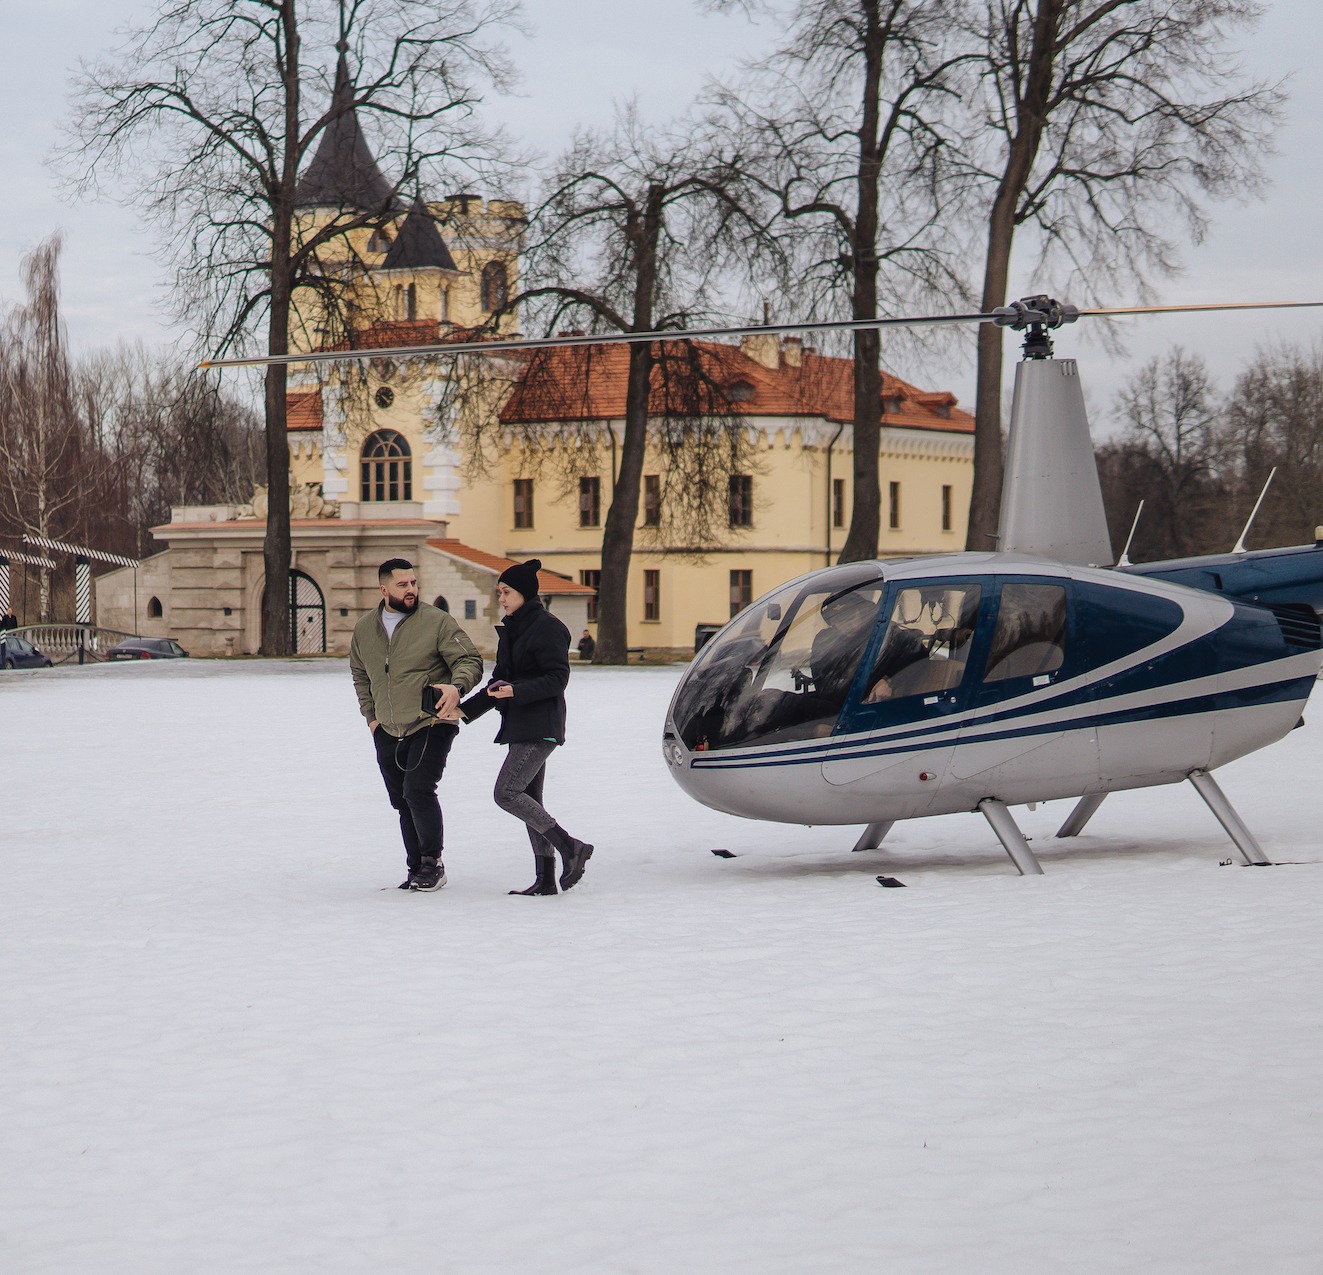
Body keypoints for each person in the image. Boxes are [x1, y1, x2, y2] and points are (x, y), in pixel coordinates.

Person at [460, 558, 594, 897]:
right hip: (521, 725)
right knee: (530, 800)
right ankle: (546, 878)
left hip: (541, 725)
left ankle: (571, 847)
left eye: (506, 592)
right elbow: (498, 683)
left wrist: (517, 691)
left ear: (524, 593)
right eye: (499, 592)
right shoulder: (512, 628)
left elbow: (557, 679)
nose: (501, 598)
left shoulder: (548, 627)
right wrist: (462, 711)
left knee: (506, 793)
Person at [350, 558, 484, 891]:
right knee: (401, 799)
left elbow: (469, 660)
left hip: (432, 721)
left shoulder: (436, 621)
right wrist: (372, 718)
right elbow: (361, 675)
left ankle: (432, 864)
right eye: (402, 585)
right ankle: (415, 868)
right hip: (387, 728)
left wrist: (457, 687)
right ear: (384, 590)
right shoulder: (364, 629)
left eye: (413, 583)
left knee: (418, 790)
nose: (411, 589)